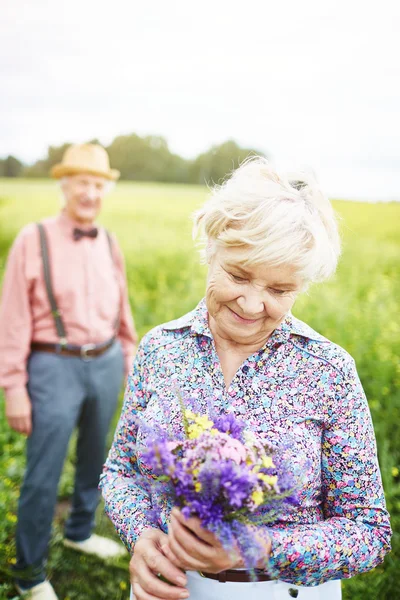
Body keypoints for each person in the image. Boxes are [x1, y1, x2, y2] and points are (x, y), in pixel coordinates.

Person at [100, 158, 391, 600]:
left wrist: (258, 549)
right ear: (212, 249)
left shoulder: (328, 371)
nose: (253, 305)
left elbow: (368, 531)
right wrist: (141, 535)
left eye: (279, 290)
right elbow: (120, 472)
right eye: (238, 275)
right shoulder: (160, 349)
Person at [0, 143, 137, 600]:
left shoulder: (111, 242)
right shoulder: (33, 238)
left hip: (105, 362)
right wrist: (13, 387)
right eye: (82, 182)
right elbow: (13, 318)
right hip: (52, 365)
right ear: (64, 185)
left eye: (98, 184)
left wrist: (129, 355)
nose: (90, 192)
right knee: (44, 471)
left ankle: (80, 529)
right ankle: (30, 576)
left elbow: (123, 310)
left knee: (98, 458)